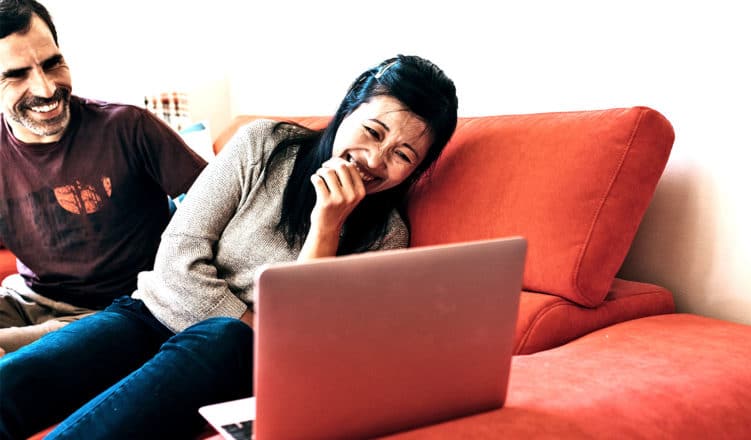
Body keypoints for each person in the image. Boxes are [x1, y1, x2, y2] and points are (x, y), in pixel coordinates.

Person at [0, 53, 458, 439]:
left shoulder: (388, 236)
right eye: (373, 132)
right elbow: (178, 254)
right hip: (149, 314)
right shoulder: (263, 144)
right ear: (347, 109)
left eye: (402, 155)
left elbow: (297, 344)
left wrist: (326, 226)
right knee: (16, 383)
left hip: (233, 357)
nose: (375, 160)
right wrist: (255, 322)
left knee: (225, 337)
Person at [0, 0, 207, 356]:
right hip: (27, 299)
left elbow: (226, 208)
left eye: (53, 64)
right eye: (16, 75)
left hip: (122, 311)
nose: (48, 89)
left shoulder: (130, 127)